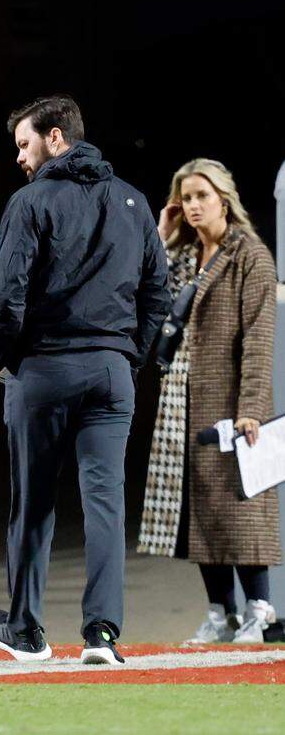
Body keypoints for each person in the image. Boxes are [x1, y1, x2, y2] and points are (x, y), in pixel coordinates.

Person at [0, 95, 169, 665]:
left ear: (56, 138)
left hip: (45, 367)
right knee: (107, 504)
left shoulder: (30, 200)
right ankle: (102, 636)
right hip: (111, 372)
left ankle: (25, 631)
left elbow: (6, 295)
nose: (19, 156)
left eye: (25, 144)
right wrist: (127, 357)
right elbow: (157, 294)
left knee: (33, 502)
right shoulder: (135, 202)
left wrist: (9, 355)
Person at [139, 159, 279, 643]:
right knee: (197, 511)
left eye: (202, 195)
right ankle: (221, 612)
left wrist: (252, 408)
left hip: (229, 399)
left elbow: (259, 338)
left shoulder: (250, 256)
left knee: (241, 505)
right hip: (182, 398)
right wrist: (161, 236)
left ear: (224, 197)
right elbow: (147, 298)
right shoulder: (183, 256)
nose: (194, 205)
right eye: (187, 197)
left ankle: (259, 608)